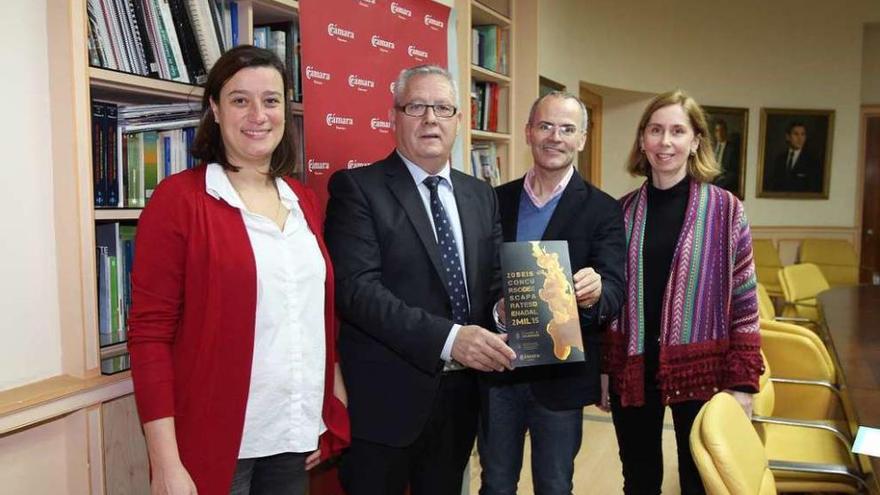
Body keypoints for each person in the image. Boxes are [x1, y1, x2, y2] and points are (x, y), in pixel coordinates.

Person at [127, 45, 349, 495]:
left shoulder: (302, 200)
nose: (257, 115)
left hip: (291, 434)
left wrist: (332, 399)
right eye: (239, 99)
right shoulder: (179, 201)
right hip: (213, 444)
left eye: (270, 101)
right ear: (214, 107)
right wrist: (165, 462)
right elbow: (150, 336)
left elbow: (313, 312)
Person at [324, 64, 516, 495]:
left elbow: (492, 282)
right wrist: (451, 339)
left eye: (443, 108)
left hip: (461, 400)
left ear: (458, 121)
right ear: (393, 117)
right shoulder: (358, 189)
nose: (431, 118)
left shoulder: (481, 195)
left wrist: (506, 309)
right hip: (386, 405)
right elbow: (357, 292)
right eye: (416, 106)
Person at [600, 90, 763, 495]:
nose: (665, 142)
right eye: (656, 130)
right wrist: (604, 369)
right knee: (639, 480)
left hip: (703, 367)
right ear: (642, 141)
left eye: (677, 131)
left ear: (695, 142)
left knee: (697, 481)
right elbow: (609, 299)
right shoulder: (618, 212)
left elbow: (745, 302)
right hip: (633, 367)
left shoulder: (727, 210)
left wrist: (742, 383)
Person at [478, 92, 625, 494]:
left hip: (561, 376)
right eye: (545, 126)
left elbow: (615, 291)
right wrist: (497, 310)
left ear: (581, 139)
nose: (554, 137)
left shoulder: (604, 210)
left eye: (566, 129)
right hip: (500, 366)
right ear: (528, 132)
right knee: (495, 484)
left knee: (556, 485)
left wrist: (597, 292)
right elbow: (481, 276)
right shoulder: (493, 200)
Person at [766, 121, 822, 192]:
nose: (800, 138)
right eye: (796, 134)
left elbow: (814, 189)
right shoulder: (780, 159)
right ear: (788, 137)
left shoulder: (812, 160)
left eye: (803, 134)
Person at [710, 120, 741, 195]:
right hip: (711, 180)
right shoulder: (711, 148)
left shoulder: (732, 149)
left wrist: (721, 179)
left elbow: (734, 172)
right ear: (715, 133)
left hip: (724, 182)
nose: (719, 133)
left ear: (726, 132)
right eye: (717, 131)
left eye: (722, 130)